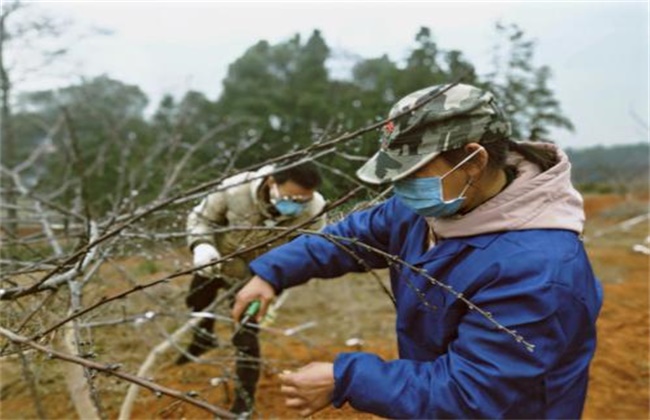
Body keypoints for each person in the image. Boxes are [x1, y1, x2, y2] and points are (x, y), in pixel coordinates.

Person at [232, 83, 603, 418]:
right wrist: (272, 272)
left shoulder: (538, 271)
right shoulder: (434, 206)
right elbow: (350, 237)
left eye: (412, 173)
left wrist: (346, 378)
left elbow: (471, 396)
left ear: (473, 161)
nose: (401, 188)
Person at [177, 161, 326, 415]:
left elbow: (310, 251)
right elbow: (201, 218)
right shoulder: (236, 189)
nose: (297, 205)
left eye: (304, 200)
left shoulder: (314, 208)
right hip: (217, 260)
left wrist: (278, 282)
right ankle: (203, 337)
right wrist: (201, 245)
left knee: (246, 334)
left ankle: (244, 402)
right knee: (196, 298)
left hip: (260, 277)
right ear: (272, 183)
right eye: (291, 198)